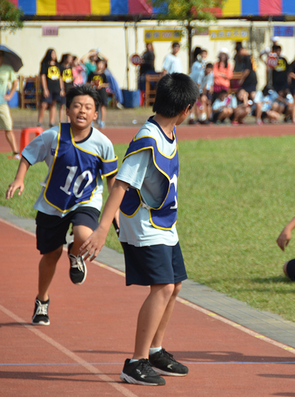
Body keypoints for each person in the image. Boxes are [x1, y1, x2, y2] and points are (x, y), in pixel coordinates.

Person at [80, 73, 198, 386]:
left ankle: (155, 350)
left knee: (175, 285)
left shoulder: (166, 132)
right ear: (186, 109)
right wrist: (104, 228)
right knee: (161, 287)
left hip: (163, 222)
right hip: (144, 225)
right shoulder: (148, 138)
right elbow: (120, 183)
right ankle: (135, 362)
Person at [5, 85, 118, 326]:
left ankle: (75, 255)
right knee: (51, 254)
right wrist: (19, 178)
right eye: (77, 106)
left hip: (86, 201)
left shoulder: (103, 143)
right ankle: (42, 301)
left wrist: (116, 212)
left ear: (96, 114)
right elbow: (27, 154)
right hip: (53, 203)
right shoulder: (53, 136)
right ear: (67, 110)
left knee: (83, 234)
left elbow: (112, 180)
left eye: (88, 107)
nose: (82, 111)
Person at [0, 50, 19, 158]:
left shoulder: (8, 69)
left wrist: (10, 95)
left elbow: (15, 82)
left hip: (2, 103)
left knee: (8, 126)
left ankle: (16, 153)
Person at [38, 48, 63, 128]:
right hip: (48, 87)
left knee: (53, 104)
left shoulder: (58, 65)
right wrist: (45, 89)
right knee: (44, 104)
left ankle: (52, 122)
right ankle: (39, 121)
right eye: (52, 54)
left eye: (55, 54)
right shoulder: (45, 65)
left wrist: (62, 89)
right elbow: (42, 76)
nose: (54, 56)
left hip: (56, 88)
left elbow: (60, 78)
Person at [87, 58, 109, 128]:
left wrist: (101, 85)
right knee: (94, 106)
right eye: (99, 64)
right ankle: (92, 121)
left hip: (102, 92)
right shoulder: (92, 73)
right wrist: (93, 83)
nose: (101, 66)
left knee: (102, 106)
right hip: (94, 91)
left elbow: (106, 84)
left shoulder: (103, 74)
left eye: (102, 64)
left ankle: (102, 121)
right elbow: (87, 82)